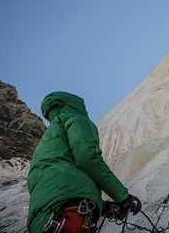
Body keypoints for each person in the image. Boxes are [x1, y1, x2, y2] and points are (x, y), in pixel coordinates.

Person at [27, 91, 141, 233]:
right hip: (70, 215)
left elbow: (62, 190)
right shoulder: (75, 118)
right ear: (73, 104)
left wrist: (105, 207)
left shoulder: (47, 143)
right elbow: (86, 157)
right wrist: (123, 197)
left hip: (43, 220)